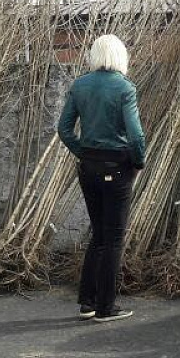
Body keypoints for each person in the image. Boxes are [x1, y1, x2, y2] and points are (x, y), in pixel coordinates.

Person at [57, 34, 146, 323]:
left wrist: (83, 151)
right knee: (114, 239)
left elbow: (65, 129)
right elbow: (136, 135)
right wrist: (138, 161)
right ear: (120, 56)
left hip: (88, 167)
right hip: (117, 167)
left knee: (98, 234)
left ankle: (87, 302)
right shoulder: (124, 88)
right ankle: (106, 307)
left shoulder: (80, 85)